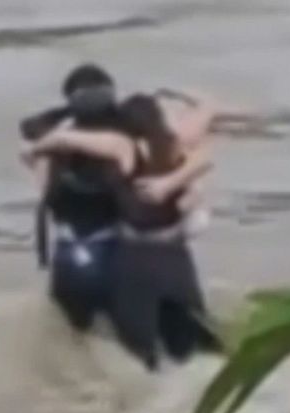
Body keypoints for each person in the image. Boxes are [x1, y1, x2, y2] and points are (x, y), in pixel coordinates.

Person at [26, 91, 221, 370]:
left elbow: (65, 140)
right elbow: (207, 159)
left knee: (140, 351)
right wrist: (170, 183)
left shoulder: (124, 147)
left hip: (134, 259)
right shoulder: (175, 147)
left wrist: (36, 149)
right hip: (176, 257)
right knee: (196, 342)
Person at [20, 64, 127, 334]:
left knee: (72, 335)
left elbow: (29, 129)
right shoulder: (128, 142)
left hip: (70, 255)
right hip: (122, 257)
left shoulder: (51, 149)